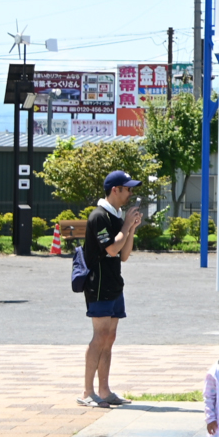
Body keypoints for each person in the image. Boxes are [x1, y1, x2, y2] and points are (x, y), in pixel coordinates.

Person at [79, 170, 144, 408]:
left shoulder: (116, 217)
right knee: (100, 336)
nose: (130, 193)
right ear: (115, 189)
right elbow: (111, 250)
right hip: (98, 286)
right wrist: (126, 225)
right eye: (127, 189)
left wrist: (131, 227)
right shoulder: (98, 216)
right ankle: (88, 391)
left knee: (110, 337)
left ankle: (104, 390)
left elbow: (124, 255)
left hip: (115, 284)